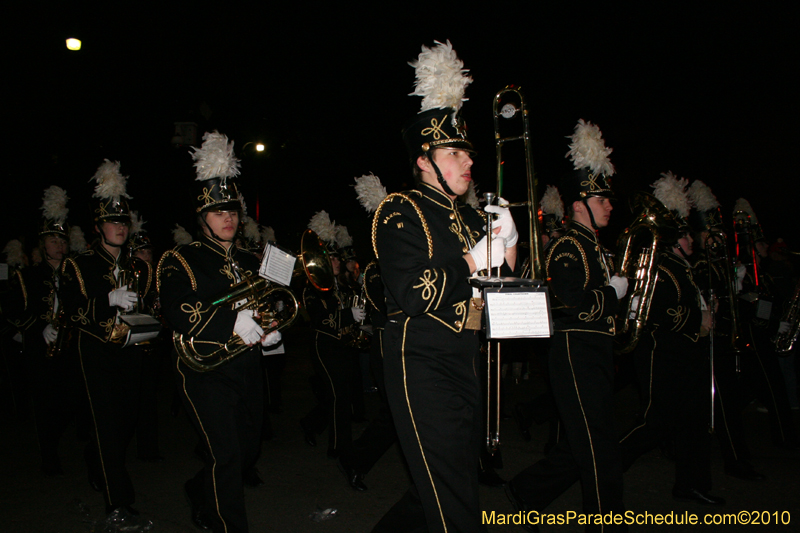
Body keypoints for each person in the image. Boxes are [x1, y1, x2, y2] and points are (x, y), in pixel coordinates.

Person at [371, 41, 517, 533]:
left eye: (467, 153)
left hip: (464, 359)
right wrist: (474, 257)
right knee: (453, 501)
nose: (467, 162)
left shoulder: (471, 213)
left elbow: (503, 283)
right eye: (454, 153)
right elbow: (413, 294)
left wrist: (510, 241)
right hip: (421, 362)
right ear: (423, 161)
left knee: (444, 485)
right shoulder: (399, 210)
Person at [505, 120, 628, 533]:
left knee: (585, 445)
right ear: (579, 203)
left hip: (595, 352)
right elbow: (569, 306)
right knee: (598, 449)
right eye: (601, 198)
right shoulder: (567, 245)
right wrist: (613, 294)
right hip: (574, 352)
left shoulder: (596, 247)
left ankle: (527, 491)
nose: (609, 205)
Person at [158, 132, 281, 533]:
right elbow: (179, 311)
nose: (227, 217)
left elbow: (270, 303)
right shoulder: (181, 258)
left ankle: (199, 489)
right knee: (226, 455)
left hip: (246, 366)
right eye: (217, 212)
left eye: (232, 211)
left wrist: (270, 326)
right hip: (204, 371)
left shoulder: (252, 257)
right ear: (203, 219)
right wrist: (231, 320)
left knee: (246, 451)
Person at [617, 173, 724, 505]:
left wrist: (705, 311)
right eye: (686, 237)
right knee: (655, 424)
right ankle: (606, 464)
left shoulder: (684, 267)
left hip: (685, 356)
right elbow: (660, 313)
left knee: (694, 424)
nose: (692, 241)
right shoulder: (661, 268)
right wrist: (698, 319)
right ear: (674, 240)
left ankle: (692, 484)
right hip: (661, 356)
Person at [60, 160, 155, 532]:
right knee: (106, 424)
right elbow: (72, 311)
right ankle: (119, 502)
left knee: (125, 421)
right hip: (96, 352)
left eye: (124, 222)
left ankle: (94, 458)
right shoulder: (78, 265)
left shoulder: (141, 267)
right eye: (112, 222)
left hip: (130, 350)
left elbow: (146, 308)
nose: (119, 227)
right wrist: (106, 300)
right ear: (99, 227)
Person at [688, 180, 766, 481]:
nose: (716, 238)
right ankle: (735, 459)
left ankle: (736, 455)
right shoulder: (699, 264)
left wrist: (737, 281)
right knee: (724, 406)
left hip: (726, 338)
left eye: (717, 232)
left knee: (732, 400)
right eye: (710, 233)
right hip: (710, 342)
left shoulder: (720, 262)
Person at [1, 187, 81, 475]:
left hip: (70, 346)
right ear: (42, 244)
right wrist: (38, 327)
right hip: (40, 349)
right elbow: (10, 310)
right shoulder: (27, 276)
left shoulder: (75, 273)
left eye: (62, 239)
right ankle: (49, 457)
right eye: (52, 240)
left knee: (72, 400)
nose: (58, 245)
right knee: (45, 405)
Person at [300, 212, 363, 459]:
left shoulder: (342, 286)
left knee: (336, 395)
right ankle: (338, 448)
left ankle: (310, 424)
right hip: (324, 346)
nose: (337, 262)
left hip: (343, 346)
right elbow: (321, 320)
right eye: (333, 258)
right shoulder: (311, 288)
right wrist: (349, 315)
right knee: (338, 396)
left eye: (337, 258)